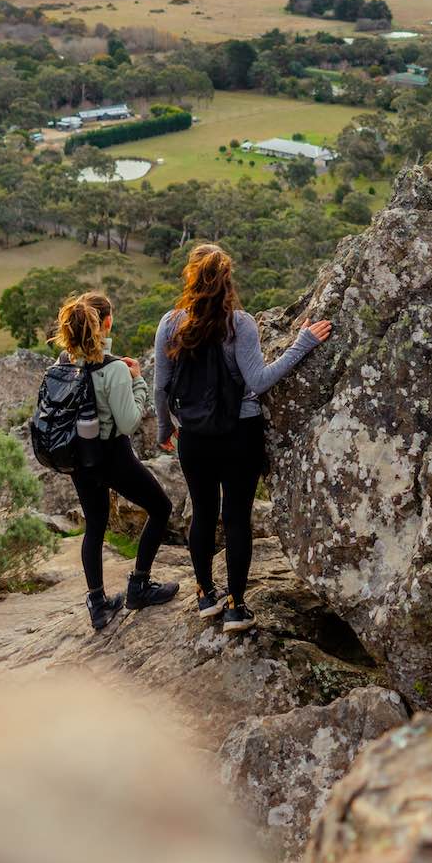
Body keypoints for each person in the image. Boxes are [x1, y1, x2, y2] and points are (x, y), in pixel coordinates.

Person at [154, 244, 331, 633]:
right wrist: (303, 343)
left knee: (202, 511)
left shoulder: (170, 323)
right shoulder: (241, 324)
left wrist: (166, 430)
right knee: (236, 517)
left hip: (194, 436)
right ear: (228, 280)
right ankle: (235, 607)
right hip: (240, 432)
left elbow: (160, 388)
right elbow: (259, 381)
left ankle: (204, 595)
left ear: (191, 277)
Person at [51, 290, 180, 631]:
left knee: (95, 524)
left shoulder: (61, 365)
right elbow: (129, 422)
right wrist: (137, 379)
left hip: (78, 458)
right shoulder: (115, 369)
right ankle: (139, 586)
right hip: (112, 455)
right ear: (105, 323)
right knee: (160, 507)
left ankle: (97, 603)